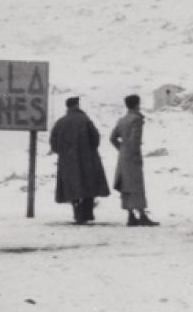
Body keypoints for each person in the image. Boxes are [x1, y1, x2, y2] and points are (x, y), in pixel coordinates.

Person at [49, 97, 110, 224]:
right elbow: (96, 138)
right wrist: (90, 150)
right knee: (89, 185)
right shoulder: (85, 120)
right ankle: (88, 213)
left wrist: (63, 153)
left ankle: (77, 213)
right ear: (77, 105)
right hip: (87, 159)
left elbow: (53, 143)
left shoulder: (60, 122)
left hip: (67, 161)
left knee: (72, 187)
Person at [110, 94, 158, 226]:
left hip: (123, 156)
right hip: (132, 156)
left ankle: (131, 215)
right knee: (137, 185)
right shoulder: (136, 119)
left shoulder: (122, 120)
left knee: (126, 186)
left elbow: (112, 138)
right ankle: (142, 214)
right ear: (137, 104)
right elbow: (135, 140)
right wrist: (134, 153)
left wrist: (121, 149)